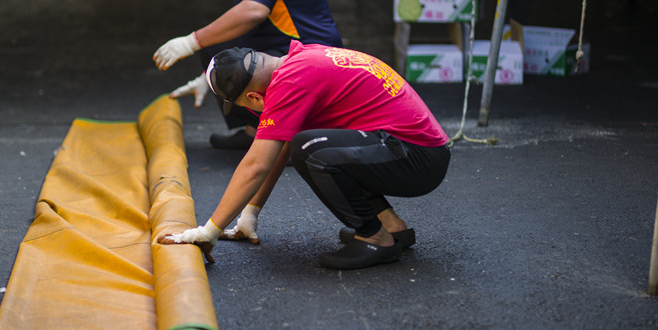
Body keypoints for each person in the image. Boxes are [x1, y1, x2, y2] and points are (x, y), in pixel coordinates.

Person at [159, 42, 451, 270]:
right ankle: (391, 227)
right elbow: (276, 149)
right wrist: (250, 213)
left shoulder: (290, 84)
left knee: (312, 150)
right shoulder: (299, 59)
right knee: (309, 145)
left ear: (253, 98)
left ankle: (375, 239)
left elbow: (256, 164)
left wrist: (209, 230)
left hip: (417, 159)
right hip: (414, 150)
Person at [154, 0, 342, 149]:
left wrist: (191, 41)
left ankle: (289, 139)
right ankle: (254, 131)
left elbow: (253, 11)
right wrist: (209, 76)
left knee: (219, 50)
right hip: (290, 50)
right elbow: (247, 33)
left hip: (314, 57)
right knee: (218, 53)